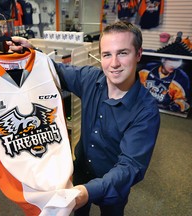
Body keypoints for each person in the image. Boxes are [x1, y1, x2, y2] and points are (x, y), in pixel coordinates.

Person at [8, 21, 160, 216]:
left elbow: (130, 166)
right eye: (107, 54)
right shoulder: (90, 79)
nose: (114, 63)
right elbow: (56, 70)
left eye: (122, 53)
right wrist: (33, 53)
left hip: (114, 186)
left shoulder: (146, 111)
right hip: (80, 171)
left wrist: (88, 192)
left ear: (138, 54)